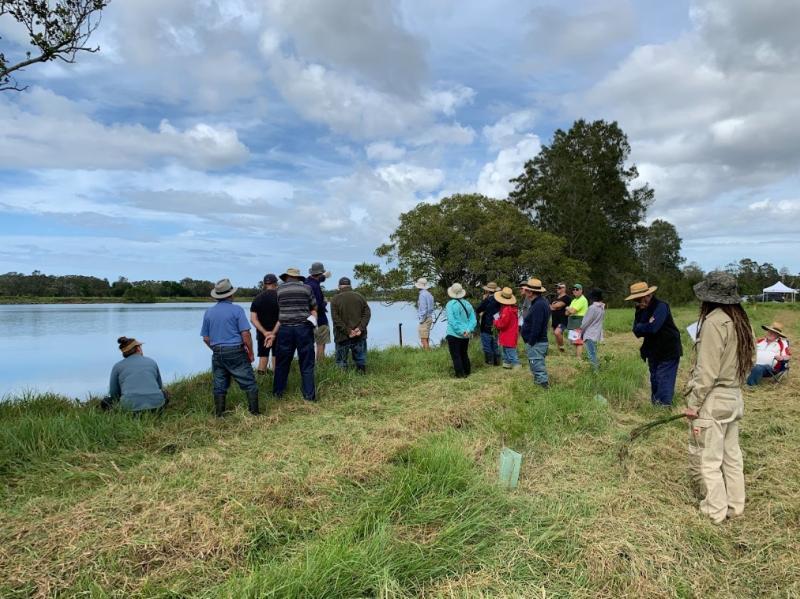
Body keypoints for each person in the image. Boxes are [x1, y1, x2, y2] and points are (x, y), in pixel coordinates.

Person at [683, 271, 754, 524]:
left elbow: (706, 371)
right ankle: (735, 506)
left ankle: (714, 511)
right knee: (731, 456)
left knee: (708, 459)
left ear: (708, 297)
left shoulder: (714, 322)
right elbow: (750, 361)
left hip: (714, 398)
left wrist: (694, 403)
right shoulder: (741, 321)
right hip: (734, 395)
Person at [201, 278, 260, 416]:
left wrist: (217, 349)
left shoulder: (208, 312)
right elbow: (245, 334)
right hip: (236, 351)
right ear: (230, 295)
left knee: (219, 385)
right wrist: (250, 352)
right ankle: (254, 413)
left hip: (217, 352)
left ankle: (219, 415)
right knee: (249, 382)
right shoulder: (237, 310)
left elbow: (206, 338)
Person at [626, 281, 683, 407]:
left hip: (668, 349)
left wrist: (644, 326)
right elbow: (636, 331)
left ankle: (663, 409)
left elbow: (653, 328)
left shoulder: (661, 306)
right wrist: (644, 324)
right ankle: (655, 406)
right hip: (652, 350)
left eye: (638, 299)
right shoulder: (640, 310)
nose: (637, 302)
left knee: (664, 379)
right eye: (635, 300)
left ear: (647, 295)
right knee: (655, 379)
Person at [273, 267, 318, 402]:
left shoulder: (279, 290)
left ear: (286, 277)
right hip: (303, 328)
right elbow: (314, 307)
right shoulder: (307, 288)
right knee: (307, 363)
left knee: (282, 363)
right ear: (298, 278)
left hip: (285, 329)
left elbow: (278, 308)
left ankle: (278, 394)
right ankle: (309, 396)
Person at [102, 336, 168, 413]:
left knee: (105, 402)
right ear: (138, 349)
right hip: (157, 406)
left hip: (130, 409)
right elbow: (159, 386)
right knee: (165, 394)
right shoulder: (152, 362)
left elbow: (114, 393)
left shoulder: (117, 366)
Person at [330, 277, 371, 373]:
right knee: (360, 359)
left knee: (341, 362)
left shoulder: (335, 299)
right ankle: (362, 378)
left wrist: (348, 331)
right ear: (350, 285)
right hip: (359, 335)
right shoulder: (360, 296)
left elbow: (335, 319)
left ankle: (343, 381)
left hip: (342, 336)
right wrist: (359, 328)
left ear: (339, 286)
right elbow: (367, 314)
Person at [520, 278, 550, 388]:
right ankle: (538, 388)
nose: (525, 292)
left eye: (527, 290)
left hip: (536, 343)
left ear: (531, 292)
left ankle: (544, 389)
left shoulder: (538, 305)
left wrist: (531, 342)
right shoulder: (540, 303)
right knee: (536, 366)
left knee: (537, 367)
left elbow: (537, 326)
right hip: (537, 342)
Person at [444, 283, 477, 378]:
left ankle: (460, 375)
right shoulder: (467, 304)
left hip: (454, 334)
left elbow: (452, 321)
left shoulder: (450, 304)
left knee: (456, 355)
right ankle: (467, 372)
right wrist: (468, 330)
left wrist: (460, 331)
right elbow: (473, 319)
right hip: (466, 334)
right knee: (464, 353)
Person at [250, 273, 280, 375]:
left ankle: (261, 382)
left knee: (263, 356)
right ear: (276, 283)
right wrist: (273, 333)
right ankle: (277, 381)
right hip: (278, 332)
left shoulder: (257, 298)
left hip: (262, 333)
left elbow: (253, 319)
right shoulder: (280, 297)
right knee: (276, 356)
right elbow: (282, 318)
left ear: (264, 284)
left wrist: (265, 332)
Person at [747, 321, 791, 385]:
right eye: (770, 331)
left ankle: (750, 386)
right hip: (752, 364)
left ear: (778, 335)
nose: (771, 334)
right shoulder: (760, 341)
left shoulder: (782, 344)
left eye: (774, 333)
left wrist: (781, 358)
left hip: (770, 369)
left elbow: (787, 356)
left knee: (758, 368)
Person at [307, 262, 332, 362]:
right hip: (320, 319)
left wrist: (324, 276)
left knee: (309, 344)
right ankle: (321, 365)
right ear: (320, 273)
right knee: (321, 343)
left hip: (308, 319)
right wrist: (325, 302)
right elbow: (316, 306)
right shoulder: (315, 287)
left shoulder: (307, 282)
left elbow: (317, 279)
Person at [494, 286, 521, 369]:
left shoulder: (506, 310)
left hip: (508, 333)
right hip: (511, 332)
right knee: (506, 349)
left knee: (510, 350)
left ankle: (517, 366)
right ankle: (507, 364)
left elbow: (502, 324)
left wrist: (495, 321)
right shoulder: (512, 308)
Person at [476, 281, 502, 365]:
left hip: (486, 325)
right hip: (496, 324)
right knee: (495, 344)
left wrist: (484, 300)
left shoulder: (487, 300)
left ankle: (489, 362)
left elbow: (478, 309)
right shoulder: (500, 300)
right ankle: (497, 362)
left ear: (487, 291)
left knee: (487, 345)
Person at [580, 289, 606, 372]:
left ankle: (595, 372)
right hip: (596, 334)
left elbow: (585, 322)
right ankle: (596, 370)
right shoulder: (602, 308)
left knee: (591, 354)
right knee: (593, 353)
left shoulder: (592, 308)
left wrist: (580, 331)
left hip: (589, 334)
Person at [565, 283, 588, 358]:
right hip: (573, 322)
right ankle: (577, 357)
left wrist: (568, 308)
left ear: (581, 290)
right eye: (573, 289)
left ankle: (578, 359)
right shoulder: (574, 300)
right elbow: (566, 313)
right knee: (574, 341)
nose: (575, 291)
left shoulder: (582, 299)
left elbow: (572, 311)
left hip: (579, 322)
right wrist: (569, 309)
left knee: (578, 342)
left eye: (577, 289)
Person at [549, 283, 570, 353]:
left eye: (560, 288)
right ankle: (560, 353)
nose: (558, 289)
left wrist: (554, 306)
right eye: (557, 288)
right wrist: (553, 306)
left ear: (564, 289)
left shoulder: (566, 298)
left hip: (563, 320)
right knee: (556, 336)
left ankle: (562, 347)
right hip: (555, 320)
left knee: (557, 332)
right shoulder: (555, 297)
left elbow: (555, 306)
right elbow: (551, 307)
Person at [416, 277, 435, 349]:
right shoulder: (429, 294)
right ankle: (427, 355)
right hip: (429, 317)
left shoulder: (422, 295)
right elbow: (430, 308)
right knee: (426, 338)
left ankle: (427, 356)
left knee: (423, 339)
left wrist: (421, 320)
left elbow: (424, 310)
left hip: (425, 319)